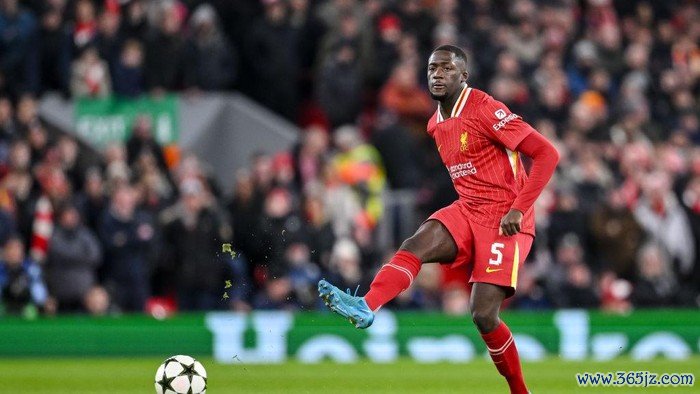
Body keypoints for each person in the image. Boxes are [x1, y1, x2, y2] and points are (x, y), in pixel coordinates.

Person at [318, 45, 559, 394]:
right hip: (468, 207)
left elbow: (547, 153)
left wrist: (519, 208)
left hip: (505, 215)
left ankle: (521, 392)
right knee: (415, 243)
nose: (437, 74)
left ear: (464, 76)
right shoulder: (434, 124)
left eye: (447, 69)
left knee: (482, 313)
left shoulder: (486, 109)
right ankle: (366, 305)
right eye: (432, 68)